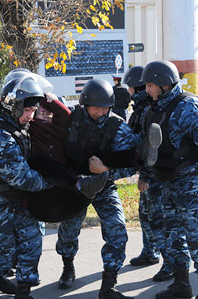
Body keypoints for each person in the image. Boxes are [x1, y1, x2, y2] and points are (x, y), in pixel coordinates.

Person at [0, 76, 108, 299]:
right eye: (28, 111)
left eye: (34, 110)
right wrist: (58, 183)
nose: (31, 116)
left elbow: (66, 123)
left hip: (16, 200)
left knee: (32, 239)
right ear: (13, 107)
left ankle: (23, 292)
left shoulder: (20, 126)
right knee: (6, 253)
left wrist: (51, 101)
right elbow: (24, 180)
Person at [140, 60, 198, 299]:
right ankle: (181, 284)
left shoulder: (188, 106)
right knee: (172, 236)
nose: (147, 90)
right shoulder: (152, 108)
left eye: (150, 85)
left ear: (165, 84)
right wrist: (146, 175)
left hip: (190, 183)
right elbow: (148, 148)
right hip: (165, 181)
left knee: (197, 237)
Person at [56, 78, 142, 299]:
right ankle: (68, 266)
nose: (101, 112)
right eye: (96, 108)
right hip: (74, 185)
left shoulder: (116, 126)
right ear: (85, 104)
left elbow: (133, 163)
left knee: (117, 230)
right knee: (68, 232)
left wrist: (106, 171)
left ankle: (109, 285)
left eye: (106, 108)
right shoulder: (69, 120)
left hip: (103, 186)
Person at [124, 66, 174, 283]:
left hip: (154, 174)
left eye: (131, 88)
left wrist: (144, 174)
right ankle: (150, 251)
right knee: (145, 213)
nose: (129, 92)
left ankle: (169, 262)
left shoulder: (147, 109)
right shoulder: (143, 107)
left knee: (156, 218)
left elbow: (148, 145)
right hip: (149, 171)